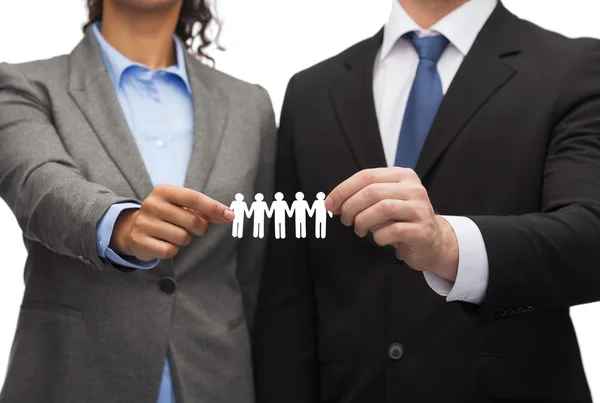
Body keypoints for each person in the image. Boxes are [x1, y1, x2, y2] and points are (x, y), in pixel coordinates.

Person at [253, 0, 600, 402]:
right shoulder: (311, 91)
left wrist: (448, 245)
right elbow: (287, 298)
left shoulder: (575, 68)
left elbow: (591, 236)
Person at [0, 0, 276, 402]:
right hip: (71, 380)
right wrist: (121, 224)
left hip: (217, 381)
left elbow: (254, 268)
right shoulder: (24, 85)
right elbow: (38, 186)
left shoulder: (250, 105)